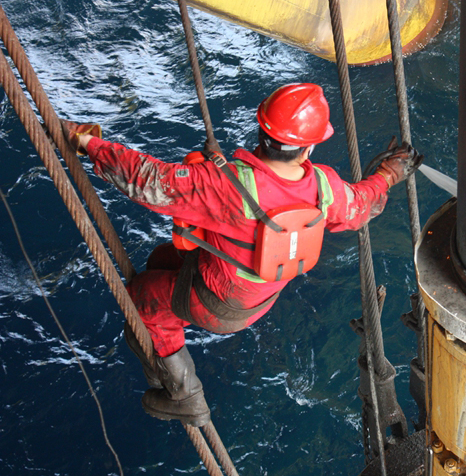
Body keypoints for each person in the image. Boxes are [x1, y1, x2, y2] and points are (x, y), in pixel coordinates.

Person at [62, 82, 422, 427]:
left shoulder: (226, 185)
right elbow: (361, 205)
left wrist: (89, 143)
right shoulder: (325, 187)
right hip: (255, 299)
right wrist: (389, 174)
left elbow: (148, 180)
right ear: (309, 148)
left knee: (140, 299)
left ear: (261, 129)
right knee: (162, 260)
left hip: (214, 303)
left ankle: (185, 396)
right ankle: (171, 338)